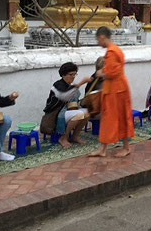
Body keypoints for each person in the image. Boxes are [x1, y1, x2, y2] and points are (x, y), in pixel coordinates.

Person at [89, 27, 134, 158]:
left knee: (119, 118)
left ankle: (125, 147)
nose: (98, 43)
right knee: (109, 118)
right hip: (115, 89)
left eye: (98, 40)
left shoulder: (112, 52)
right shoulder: (114, 50)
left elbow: (111, 73)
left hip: (117, 90)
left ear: (102, 37)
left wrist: (100, 73)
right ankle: (103, 148)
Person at [44, 62, 93, 148]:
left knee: (87, 112)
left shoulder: (70, 86)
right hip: (56, 113)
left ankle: (74, 136)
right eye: (71, 74)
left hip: (68, 111)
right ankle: (63, 138)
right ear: (63, 75)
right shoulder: (57, 85)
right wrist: (81, 83)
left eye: (75, 74)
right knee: (79, 115)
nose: (73, 77)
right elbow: (64, 96)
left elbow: (74, 102)